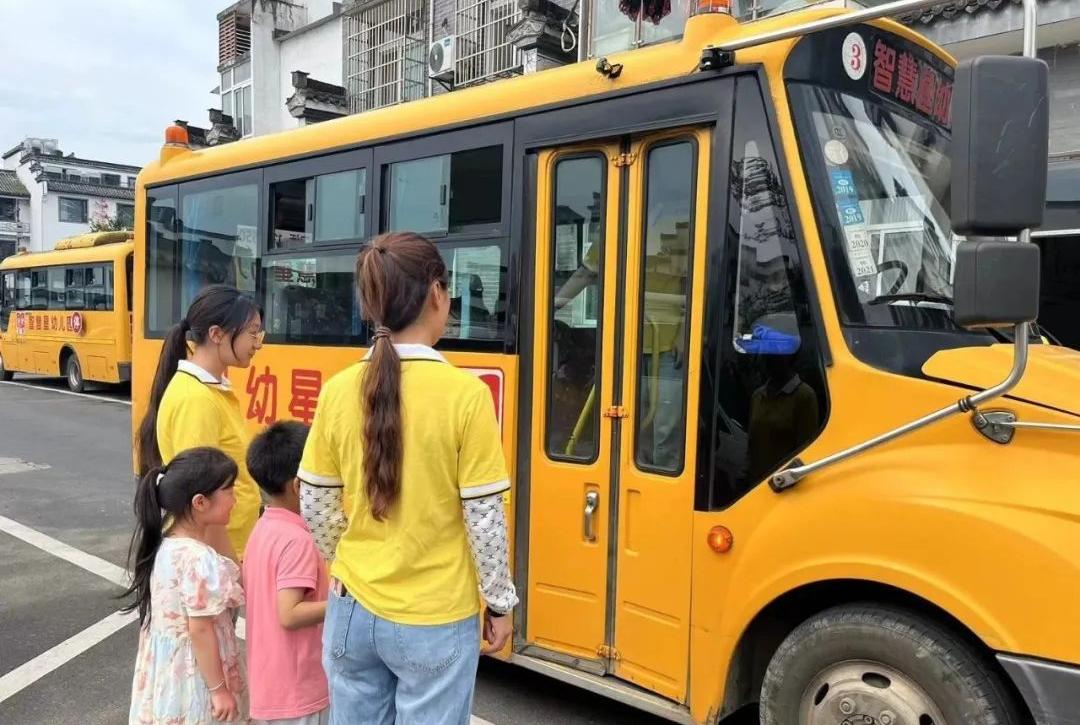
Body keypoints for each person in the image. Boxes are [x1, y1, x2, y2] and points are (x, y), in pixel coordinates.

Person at [298, 231, 517, 725]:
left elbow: (314, 503)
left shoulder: (338, 389)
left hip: (351, 608)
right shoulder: (465, 395)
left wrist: (349, 560)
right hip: (435, 614)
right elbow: (484, 520)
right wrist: (500, 603)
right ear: (437, 293)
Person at [136, 284, 264, 561]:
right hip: (214, 557)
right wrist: (234, 571)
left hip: (225, 549)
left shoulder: (209, 390)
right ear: (216, 334)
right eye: (252, 333)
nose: (258, 343)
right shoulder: (196, 399)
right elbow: (203, 503)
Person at [123, 447, 249, 725]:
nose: (235, 499)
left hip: (169, 671)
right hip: (198, 673)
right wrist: (219, 690)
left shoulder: (165, 544)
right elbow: (200, 628)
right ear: (200, 502)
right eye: (229, 491)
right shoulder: (199, 559)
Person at [243, 421, 329, 725]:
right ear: (299, 486)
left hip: (270, 684)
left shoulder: (265, 526)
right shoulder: (298, 540)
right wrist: (348, 603)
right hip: (299, 690)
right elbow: (289, 614)